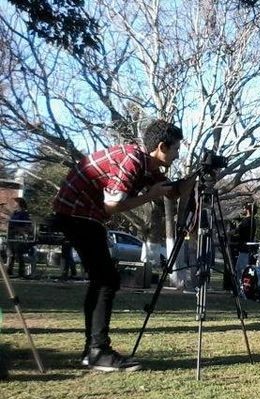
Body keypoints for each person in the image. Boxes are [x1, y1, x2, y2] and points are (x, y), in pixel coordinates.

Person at [52, 119, 189, 372]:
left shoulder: (148, 166)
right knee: (105, 280)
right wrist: (149, 196)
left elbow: (172, 192)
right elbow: (111, 206)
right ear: (161, 147)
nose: (178, 154)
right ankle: (97, 352)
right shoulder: (132, 161)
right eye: (176, 149)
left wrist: (199, 176)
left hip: (84, 214)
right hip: (76, 213)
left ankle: (92, 351)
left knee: (103, 279)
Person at [233, 200, 259, 294]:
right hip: (243, 248)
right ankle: (240, 288)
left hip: (245, 248)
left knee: (241, 269)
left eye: (244, 208)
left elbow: (239, 232)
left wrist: (232, 232)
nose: (243, 210)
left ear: (247, 209)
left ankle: (242, 289)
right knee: (239, 269)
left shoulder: (248, 221)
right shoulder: (250, 220)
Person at [6, 197, 34, 278]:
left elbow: (27, 225)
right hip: (11, 234)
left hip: (18, 235)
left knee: (18, 253)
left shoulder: (23, 213)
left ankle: (21, 272)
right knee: (11, 254)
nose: (13, 204)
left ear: (19, 204)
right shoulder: (14, 213)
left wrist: (22, 231)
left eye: (15, 202)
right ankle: (9, 271)